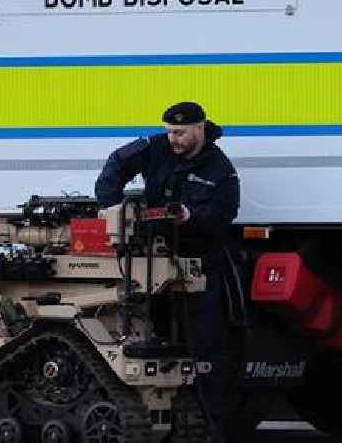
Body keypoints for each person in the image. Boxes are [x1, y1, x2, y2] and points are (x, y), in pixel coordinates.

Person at [95, 101, 240, 442]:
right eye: (169, 131)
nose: (172, 138)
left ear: (199, 128)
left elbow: (225, 214)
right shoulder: (156, 148)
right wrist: (111, 210)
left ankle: (207, 429)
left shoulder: (220, 169)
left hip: (199, 265)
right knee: (150, 340)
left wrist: (191, 217)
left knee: (204, 350)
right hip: (151, 261)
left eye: (179, 132)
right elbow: (116, 165)